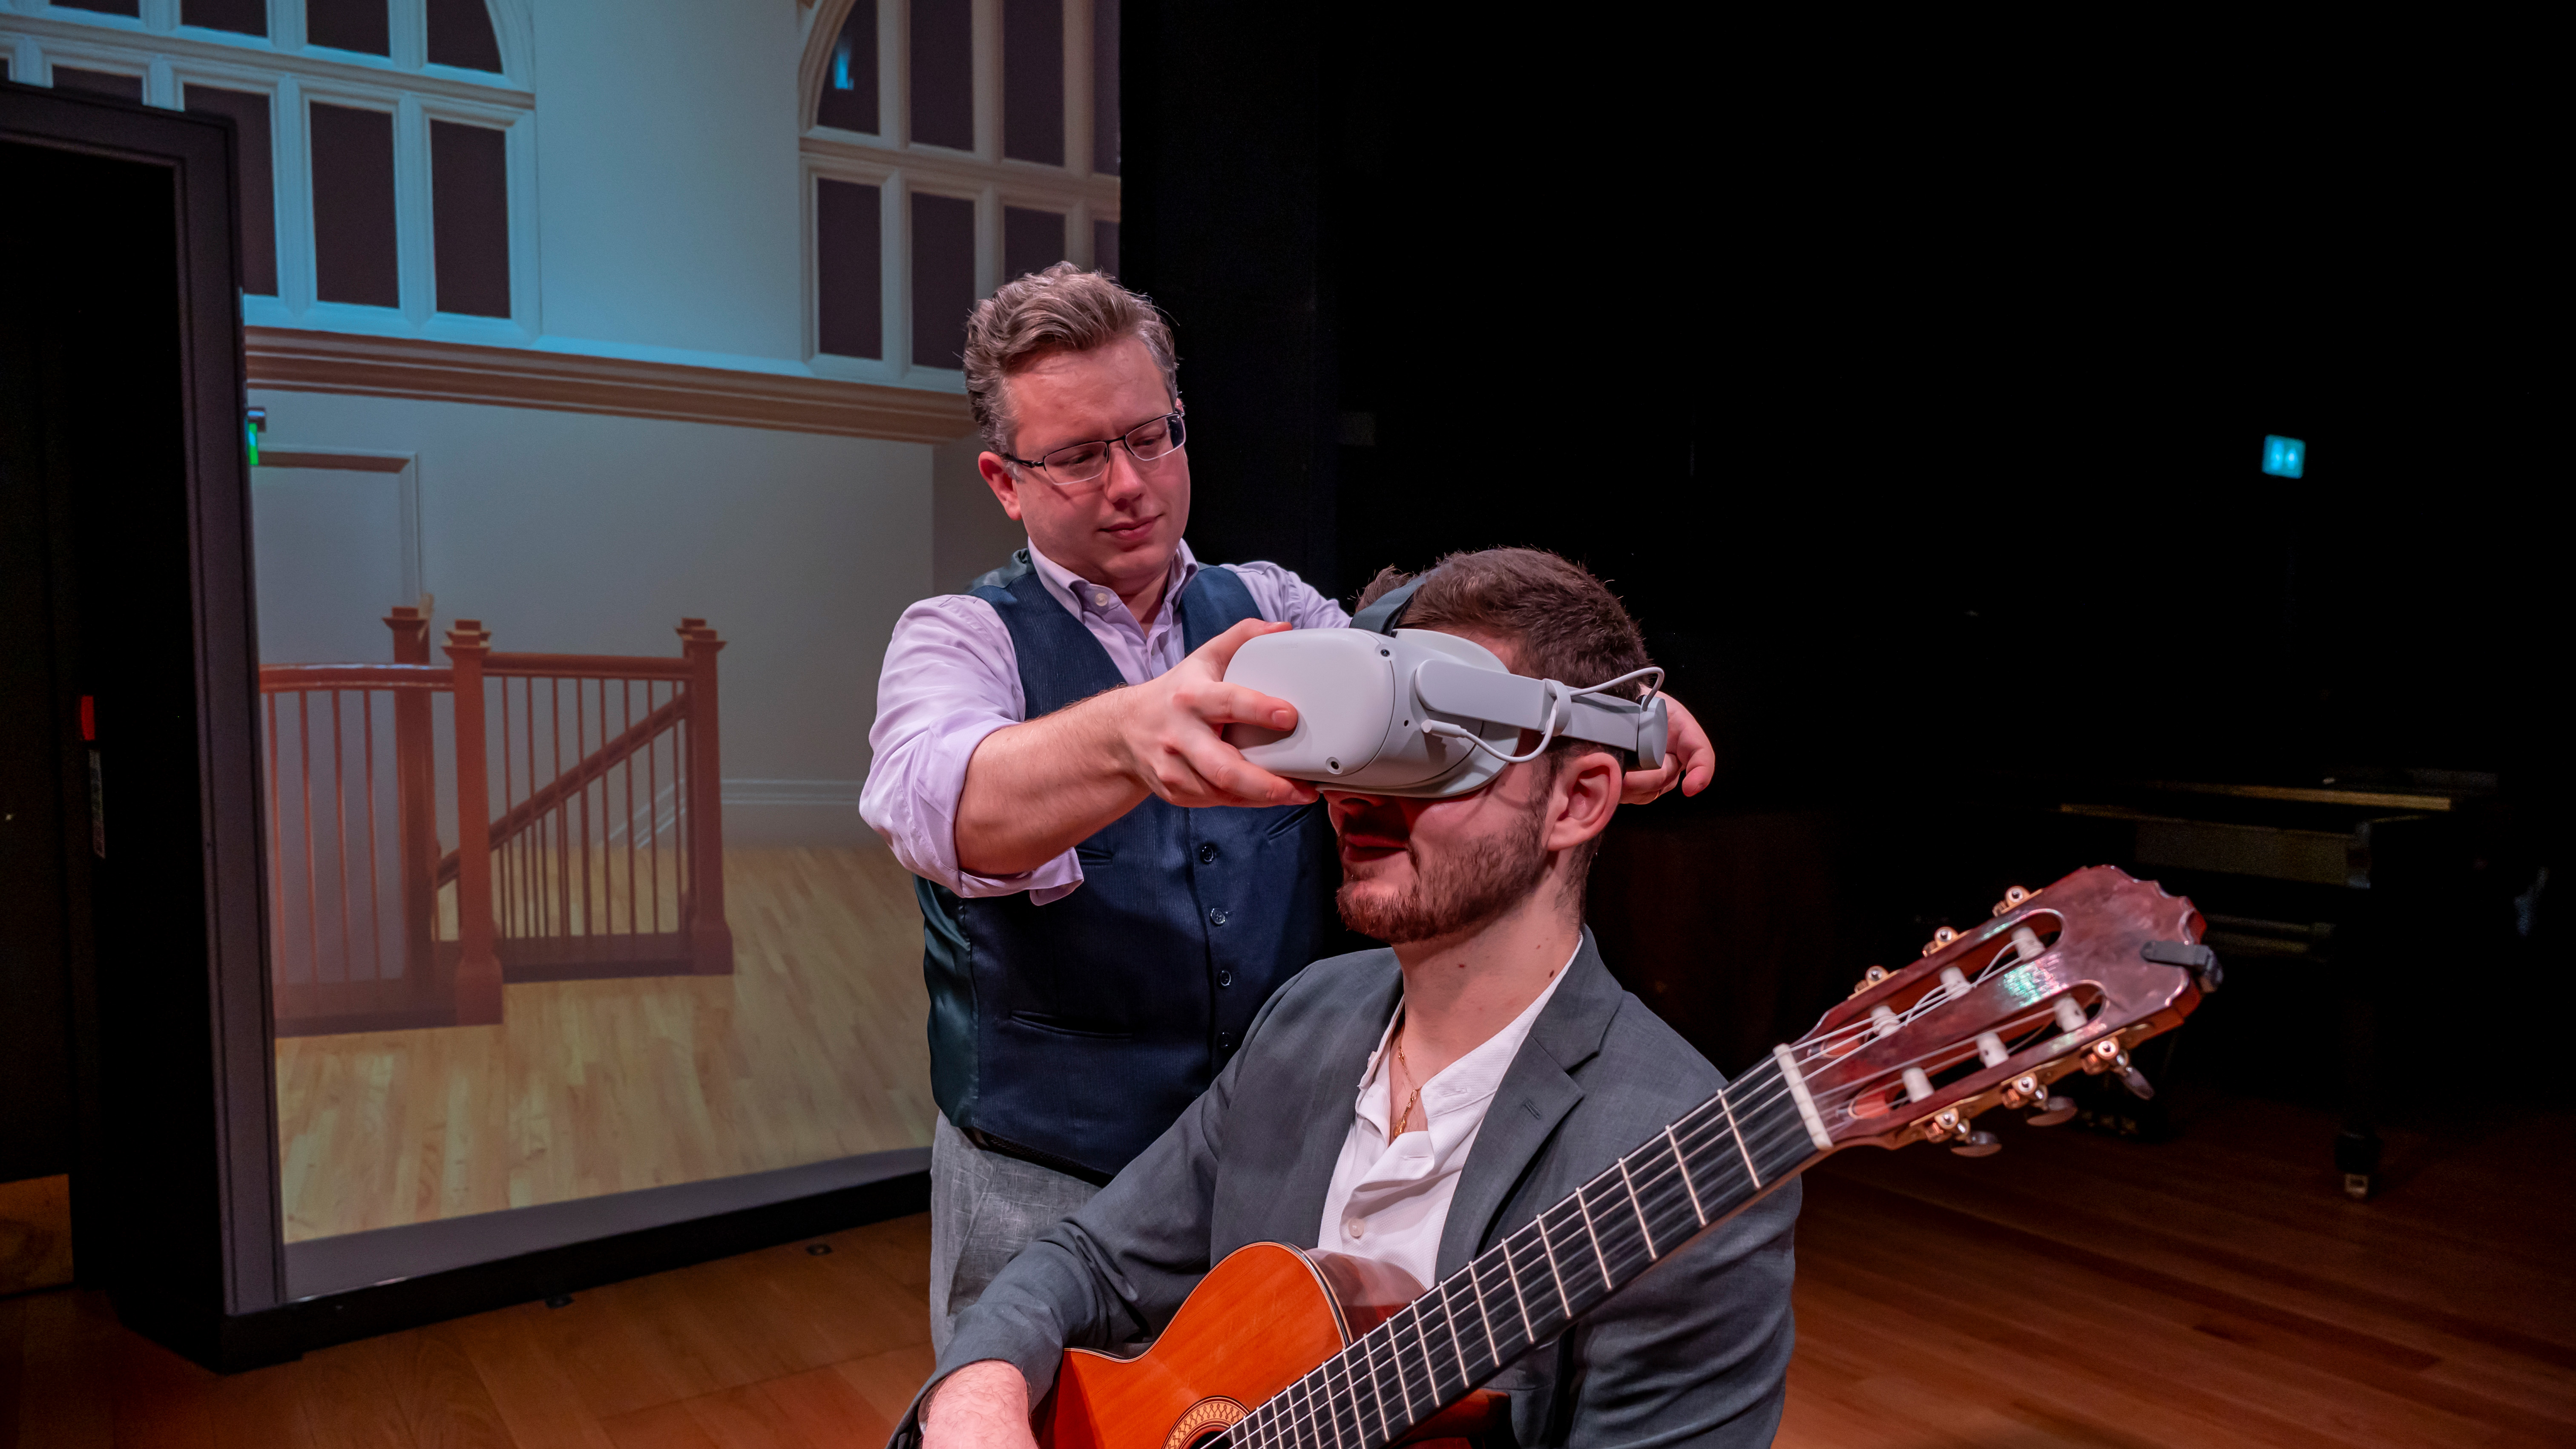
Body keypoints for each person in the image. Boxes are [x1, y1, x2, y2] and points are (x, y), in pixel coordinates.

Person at [860, 266, 1720, 1354]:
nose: (1130, 483)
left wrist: (1599, 711)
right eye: (1079, 456)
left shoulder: (1271, 609)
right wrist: (1129, 734)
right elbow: (941, 804)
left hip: (1262, 1165)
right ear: (1004, 479)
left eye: (1152, 436)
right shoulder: (959, 638)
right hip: (1044, 1177)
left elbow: (1432, 659)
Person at [898, 548, 1800, 1448]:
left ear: (1578, 801)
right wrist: (981, 1387)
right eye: (1363, 743)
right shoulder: (1308, 1019)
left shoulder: (1683, 1165)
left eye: (1436, 750)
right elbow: (1090, 1260)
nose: (1359, 797)